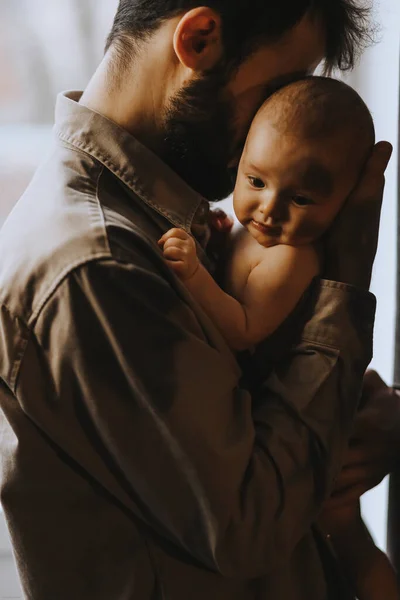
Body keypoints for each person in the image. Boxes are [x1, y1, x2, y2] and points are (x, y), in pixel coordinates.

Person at [0, 1, 393, 599]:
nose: (277, 120)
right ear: (201, 39)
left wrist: (351, 424)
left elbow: (259, 420)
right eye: (278, 86)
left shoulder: (181, 225)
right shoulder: (97, 266)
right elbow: (250, 521)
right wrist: (346, 278)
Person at [159, 76, 399, 599]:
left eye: (303, 197)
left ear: (348, 201)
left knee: (350, 543)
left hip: (307, 417)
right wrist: (221, 245)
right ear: (240, 159)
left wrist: (196, 274)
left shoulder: (293, 257)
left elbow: (244, 329)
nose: (270, 209)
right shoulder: (257, 231)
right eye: (256, 180)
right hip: (285, 410)